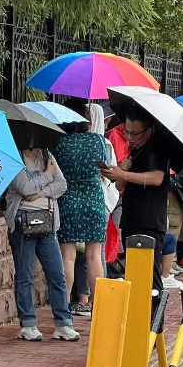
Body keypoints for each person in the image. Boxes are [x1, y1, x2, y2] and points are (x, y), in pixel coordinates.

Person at [4, 148, 80, 342]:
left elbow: (61, 185)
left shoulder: (47, 155)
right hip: (22, 223)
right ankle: (28, 324)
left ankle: (63, 323)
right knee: (25, 275)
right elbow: (25, 187)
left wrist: (39, 192)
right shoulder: (14, 157)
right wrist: (48, 175)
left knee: (57, 274)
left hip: (47, 224)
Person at [101, 107, 171, 292]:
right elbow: (120, 187)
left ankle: (155, 319)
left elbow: (157, 178)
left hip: (149, 221)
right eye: (126, 132)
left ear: (147, 131)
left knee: (150, 277)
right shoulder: (134, 151)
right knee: (134, 275)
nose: (129, 137)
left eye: (134, 133)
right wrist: (121, 173)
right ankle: (138, 318)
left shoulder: (156, 149)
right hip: (131, 219)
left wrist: (125, 173)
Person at [53, 102, 107, 308]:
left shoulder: (59, 142)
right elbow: (104, 167)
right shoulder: (98, 141)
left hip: (67, 200)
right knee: (94, 256)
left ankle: (64, 307)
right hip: (93, 199)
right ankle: (99, 306)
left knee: (68, 256)